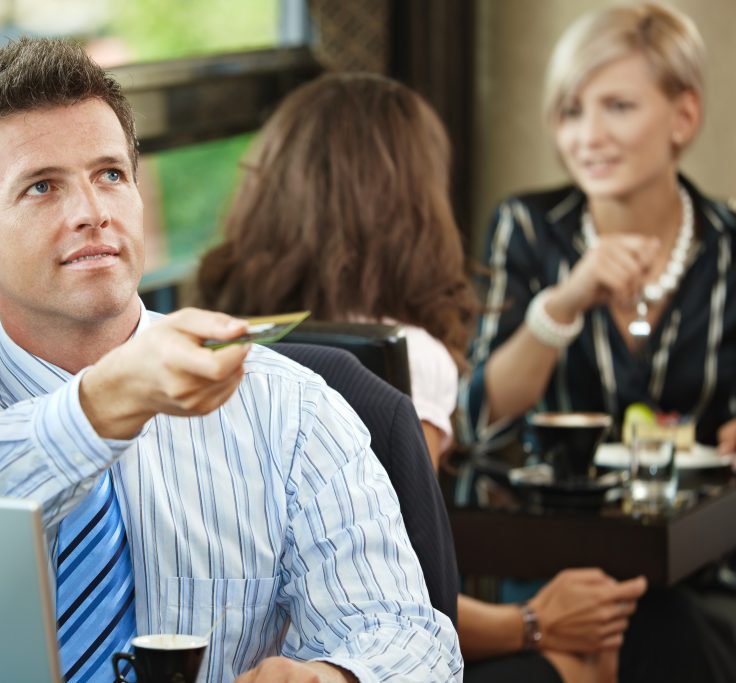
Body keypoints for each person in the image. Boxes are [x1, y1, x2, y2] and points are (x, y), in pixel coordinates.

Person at [0, 38, 462, 682]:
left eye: (110, 174)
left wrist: (336, 678)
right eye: (42, 187)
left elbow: (412, 639)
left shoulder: (290, 404)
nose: (92, 213)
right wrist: (105, 405)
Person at [195, 72, 647, 683]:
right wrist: (533, 622)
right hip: (350, 661)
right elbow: (413, 595)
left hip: (230, 656)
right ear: (416, 204)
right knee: (585, 660)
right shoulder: (408, 358)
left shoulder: (210, 341)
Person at [460, 3, 736, 682]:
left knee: (668, 622)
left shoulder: (730, 247)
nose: (588, 136)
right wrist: (567, 299)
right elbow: (481, 420)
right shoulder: (527, 229)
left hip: (705, 567)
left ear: (684, 117)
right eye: (570, 111)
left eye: (616, 106)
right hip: (551, 567)